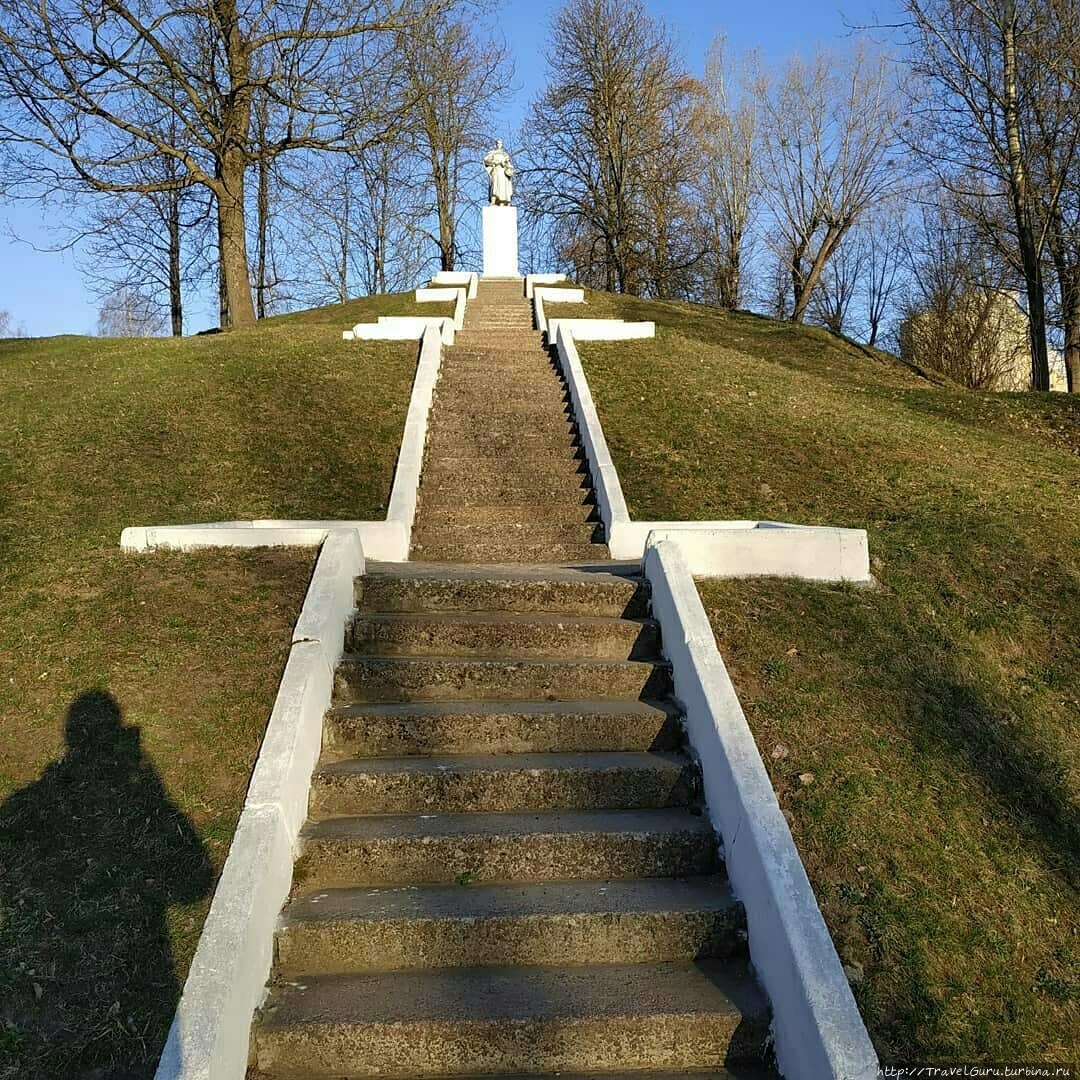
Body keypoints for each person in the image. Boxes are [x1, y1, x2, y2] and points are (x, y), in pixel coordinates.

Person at [483, 138, 515, 205]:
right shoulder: (492, 153)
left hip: (503, 173)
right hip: (496, 171)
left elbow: (509, 165)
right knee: (494, 186)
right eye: (498, 143)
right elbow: (486, 161)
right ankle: (493, 201)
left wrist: (505, 164)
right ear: (496, 144)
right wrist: (494, 162)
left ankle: (502, 202)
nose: (499, 145)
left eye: (500, 143)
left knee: (502, 187)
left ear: (502, 144)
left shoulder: (505, 154)